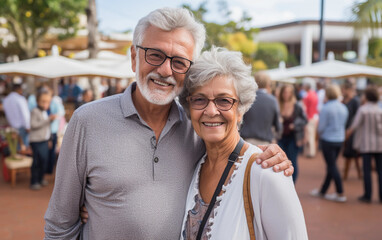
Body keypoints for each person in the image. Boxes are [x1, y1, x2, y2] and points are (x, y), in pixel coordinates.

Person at [44, 8, 293, 239]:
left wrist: (267, 155)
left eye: (179, 62)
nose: (165, 70)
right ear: (134, 57)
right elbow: (60, 225)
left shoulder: (196, 127)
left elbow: (229, 148)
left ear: (189, 70)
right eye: (155, 55)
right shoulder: (87, 121)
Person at [179, 47, 308, 239]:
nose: (211, 110)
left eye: (224, 100)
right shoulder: (194, 166)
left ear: (240, 109)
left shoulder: (267, 171)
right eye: (200, 99)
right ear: (189, 108)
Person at [311, 84, 348, 202]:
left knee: (332, 166)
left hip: (328, 140)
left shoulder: (326, 108)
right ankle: (323, 190)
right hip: (339, 140)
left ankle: (340, 192)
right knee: (332, 166)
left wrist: (319, 134)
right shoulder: (343, 107)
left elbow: (321, 127)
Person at [346, 86, 382, 203]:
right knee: (380, 171)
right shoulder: (380, 109)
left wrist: (346, 136)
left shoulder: (363, 109)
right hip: (380, 144)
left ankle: (368, 195)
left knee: (367, 170)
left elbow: (354, 125)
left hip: (366, 144)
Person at [240, 71, 282, 145]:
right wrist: (276, 136)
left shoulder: (247, 98)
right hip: (265, 142)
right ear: (268, 83)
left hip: (246, 140)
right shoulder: (272, 100)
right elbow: (278, 125)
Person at [278, 84, 307, 182]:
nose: (286, 94)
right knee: (280, 160)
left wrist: (295, 125)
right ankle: (282, 182)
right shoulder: (278, 104)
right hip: (280, 137)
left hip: (293, 137)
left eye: (289, 92)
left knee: (292, 161)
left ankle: (292, 183)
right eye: (285, 92)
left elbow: (304, 120)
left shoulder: (297, 106)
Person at [29, 87, 57, 190]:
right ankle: (34, 181)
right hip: (36, 141)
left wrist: (49, 139)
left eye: (48, 102)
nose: (45, 104)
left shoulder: (46, 112)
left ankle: (41, 178)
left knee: (44, 160)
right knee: (37, 161)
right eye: (43, 101)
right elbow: (33, 125)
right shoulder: (35, 111)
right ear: (37, 101)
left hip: (44, 141)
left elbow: (47, 128)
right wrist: (48, 120)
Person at [341, 81, 361, 180]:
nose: (342, 91)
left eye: (343, 89)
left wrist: (350, 129)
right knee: (348, 153)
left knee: (350, 153)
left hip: (351, 131)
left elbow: (357, 117)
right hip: (345, 129)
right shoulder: (344, 100)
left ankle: (347, 174)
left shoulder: (355, 101)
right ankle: (352, 173)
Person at [2, 83, 30, 150]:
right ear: (19, 90)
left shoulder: (6, 100)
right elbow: (25, 114)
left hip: (12, 127)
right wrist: (28, 126)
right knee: (23, 150)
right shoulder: (20, 99)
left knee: (15, 149)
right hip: (22, 128)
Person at [302, 80, 318, 158]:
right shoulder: (314, 94)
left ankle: (310, 152)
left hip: (309, 117)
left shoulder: (307, 95)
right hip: (314, 117)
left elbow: (306, 108)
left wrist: (307, 118)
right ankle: (310, 151)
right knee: (311, 135)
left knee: (309, 136)